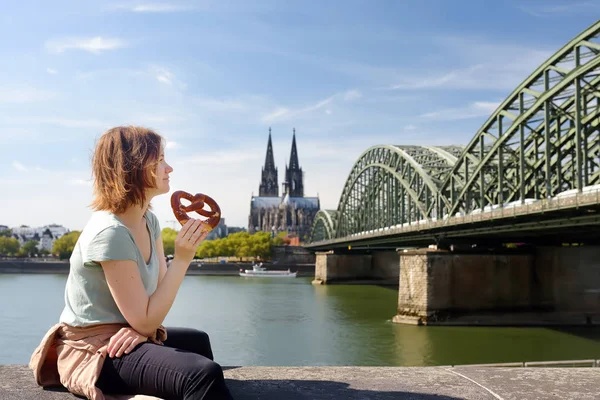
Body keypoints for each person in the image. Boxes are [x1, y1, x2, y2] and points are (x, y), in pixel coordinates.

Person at [29, 126, 234, 400]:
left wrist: (141, 331)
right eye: (160, 159)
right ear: (134, 167)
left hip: (124, 335)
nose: (169, 168)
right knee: (201, 374)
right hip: (97, 351)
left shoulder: (148, 221)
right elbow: (148, 319)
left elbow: (156, 298)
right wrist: (183, 259)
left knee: (198, 342)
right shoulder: (111, 232)